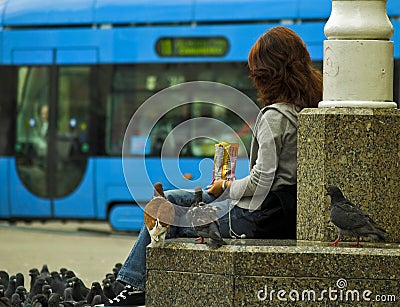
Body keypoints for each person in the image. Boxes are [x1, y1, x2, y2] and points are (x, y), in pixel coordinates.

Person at [104, 26, 323, 306]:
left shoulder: (274, 116)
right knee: (172, 199)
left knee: (170, 209)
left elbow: (262, 179)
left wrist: (226, 187)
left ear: (269, 73)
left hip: (262, 217)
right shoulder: (309, 109)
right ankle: (136, 286)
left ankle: (134, 288)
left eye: (256, 71)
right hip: (287, 212)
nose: (254, 77)